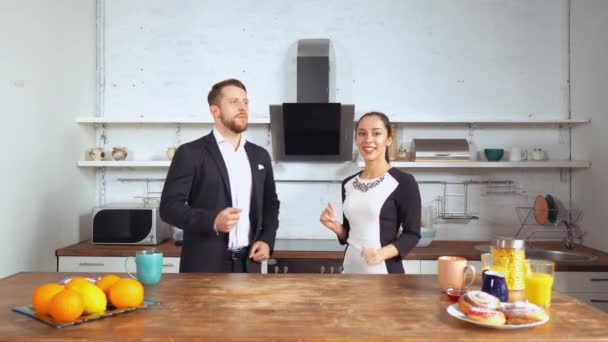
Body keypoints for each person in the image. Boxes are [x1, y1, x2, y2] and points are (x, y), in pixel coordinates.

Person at [160, 79, 280, 273]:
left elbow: (271, 204)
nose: (243, 108)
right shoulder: (190, 153)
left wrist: (267, 240)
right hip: (204, 266)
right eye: (234, 102)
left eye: (245, 102)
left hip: (249, 264)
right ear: (215, 111)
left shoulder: (260, 155)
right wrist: (213, 220)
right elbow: (168, 208)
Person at [319, 111, 421, 274]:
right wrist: (337, 228)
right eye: (362, 133)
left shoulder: (404, 182)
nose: (368, 139)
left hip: (384, 275)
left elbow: (412, 234)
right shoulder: (348, 184)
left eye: (376, 133)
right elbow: (351, 235)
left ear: (388, 139)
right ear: (356, 139)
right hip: (349, 272)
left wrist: (380, 254)